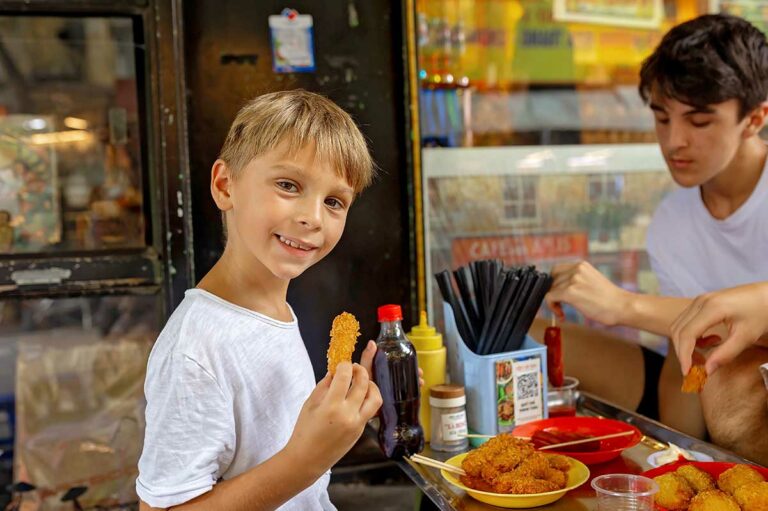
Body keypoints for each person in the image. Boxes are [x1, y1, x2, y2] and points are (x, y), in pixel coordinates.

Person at [136, 90, 383, 510]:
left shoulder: (275, 311)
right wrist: (306, 460)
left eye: (334, 201)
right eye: (288, 185)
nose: (313, 217)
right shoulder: (195, 350)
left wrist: (348, 415)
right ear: (225, 185)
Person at [545, 14, 768, 463]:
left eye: (699, 121)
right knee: (534, 338)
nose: (674, 141)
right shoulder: (672, 221)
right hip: (709, 384)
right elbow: (683, 353)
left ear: (755, 118)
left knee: (729, 385)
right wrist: (673, 461)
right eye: (662, 118)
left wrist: (623, 306)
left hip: (742, 393)